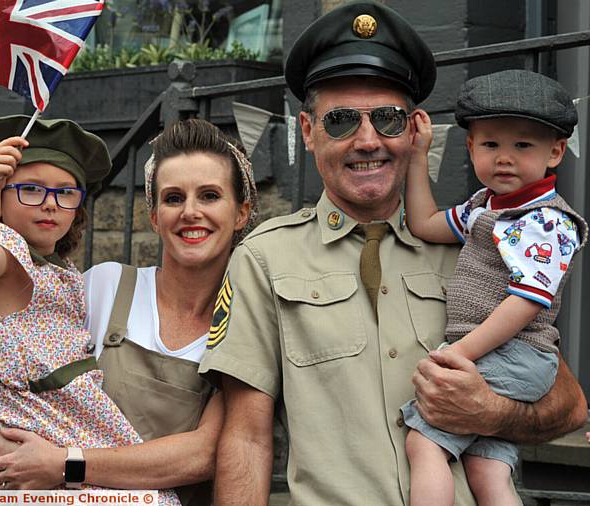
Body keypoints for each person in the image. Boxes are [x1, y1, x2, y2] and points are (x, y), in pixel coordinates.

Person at [197, 2, 588, 505]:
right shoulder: (264, 259)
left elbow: (569, 406)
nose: (366, 140)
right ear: (309, 132)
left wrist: (489, 411)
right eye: (339, 121)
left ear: (413, 129)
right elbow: (247, 438)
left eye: (387, 119)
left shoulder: (481, 246)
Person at [0, 118, 258, 506]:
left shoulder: (247, 321)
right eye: (173, 198)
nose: (190, 212)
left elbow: (204, 454)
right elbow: (7, 365)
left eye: (209, 195)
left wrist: (63, 464)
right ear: (154, 217)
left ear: (241, 213)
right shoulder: (103, 287)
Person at [0, 115, 179, 504]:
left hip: (70, 410)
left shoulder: (59, 268)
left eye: (65, 193)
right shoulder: (6, 255)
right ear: (1, 198)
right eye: (30, 190)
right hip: (43, 413)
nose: (50, 204)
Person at [401, 69, 587, 506]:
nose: (504, 157)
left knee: (423, 443)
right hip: (502, 353)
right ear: (470, 147)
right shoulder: (484, 207)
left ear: (556, 152)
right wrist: (417, 158)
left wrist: (460, 353)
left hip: (515, 352)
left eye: (522, 145)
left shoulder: (545, 221)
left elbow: (525, 303)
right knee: (487, 469)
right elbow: (425, 224)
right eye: (490, 144)